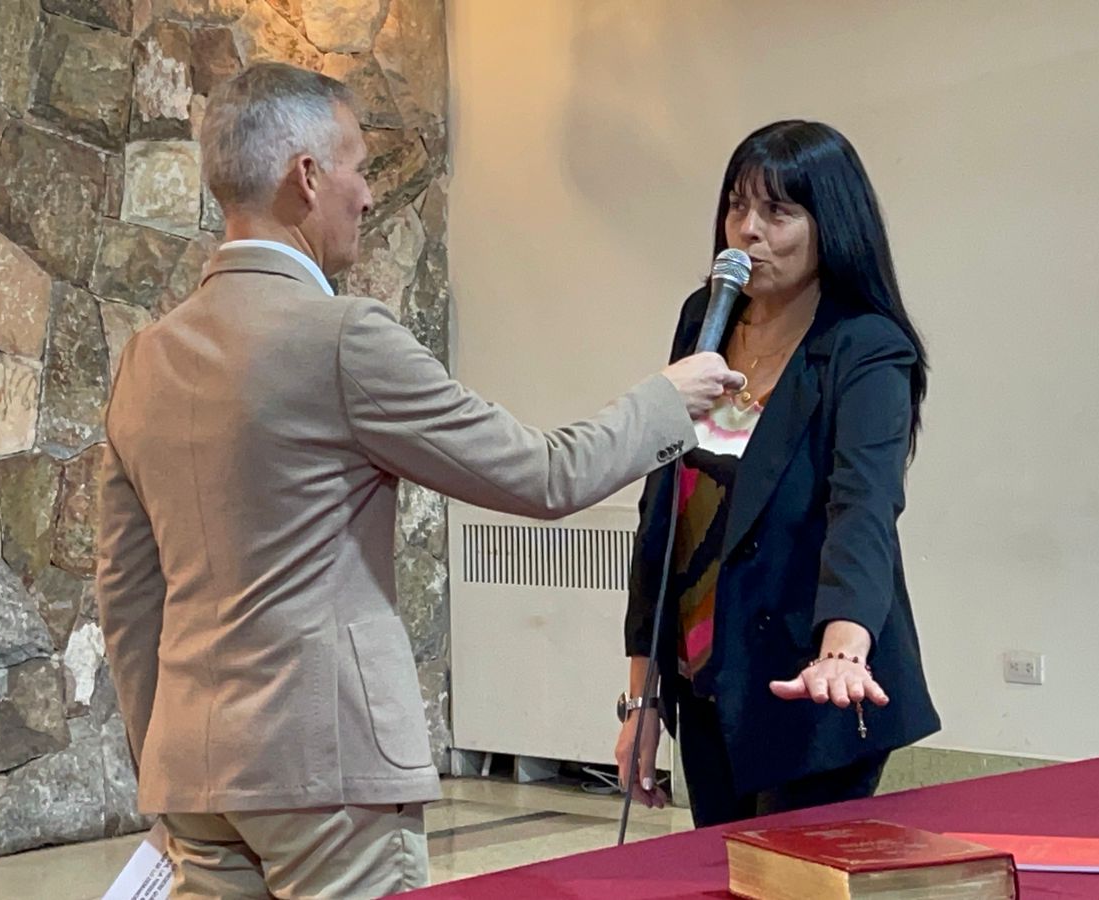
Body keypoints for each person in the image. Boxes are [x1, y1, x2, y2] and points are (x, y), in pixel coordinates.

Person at [95, 62, 743, 899]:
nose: (368, 196)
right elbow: (543, 476)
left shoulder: (146, 358)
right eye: (359, 168)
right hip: (329, 772)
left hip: (194, 773)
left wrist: (163, 762)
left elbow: (127, 594)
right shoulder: (342, 337)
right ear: (307, 176)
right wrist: (665, 400)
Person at [614, 120, 940, 828]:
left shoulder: (865, 346)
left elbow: (864, 507)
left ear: (831, 226)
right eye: (737, 206)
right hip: (709, 676)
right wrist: (643, 696)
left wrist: (843, 652)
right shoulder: (704, 319)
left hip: (813, 680)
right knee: (721, 868)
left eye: (778, 211)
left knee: (793, 873)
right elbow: (662, 512)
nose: (748, 231)